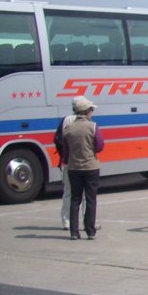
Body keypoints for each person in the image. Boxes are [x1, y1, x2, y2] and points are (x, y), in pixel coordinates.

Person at [63, 96, 105, 240]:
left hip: (74, 167)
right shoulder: (93, 126)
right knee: (91, 199)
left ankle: (74, 232)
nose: (91, 112)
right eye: (91, 109)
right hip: (91, 166)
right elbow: (99, 146)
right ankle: (90, 230)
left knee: (75, 199)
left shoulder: (68, 127)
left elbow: (65, 150)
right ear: (87, 111)